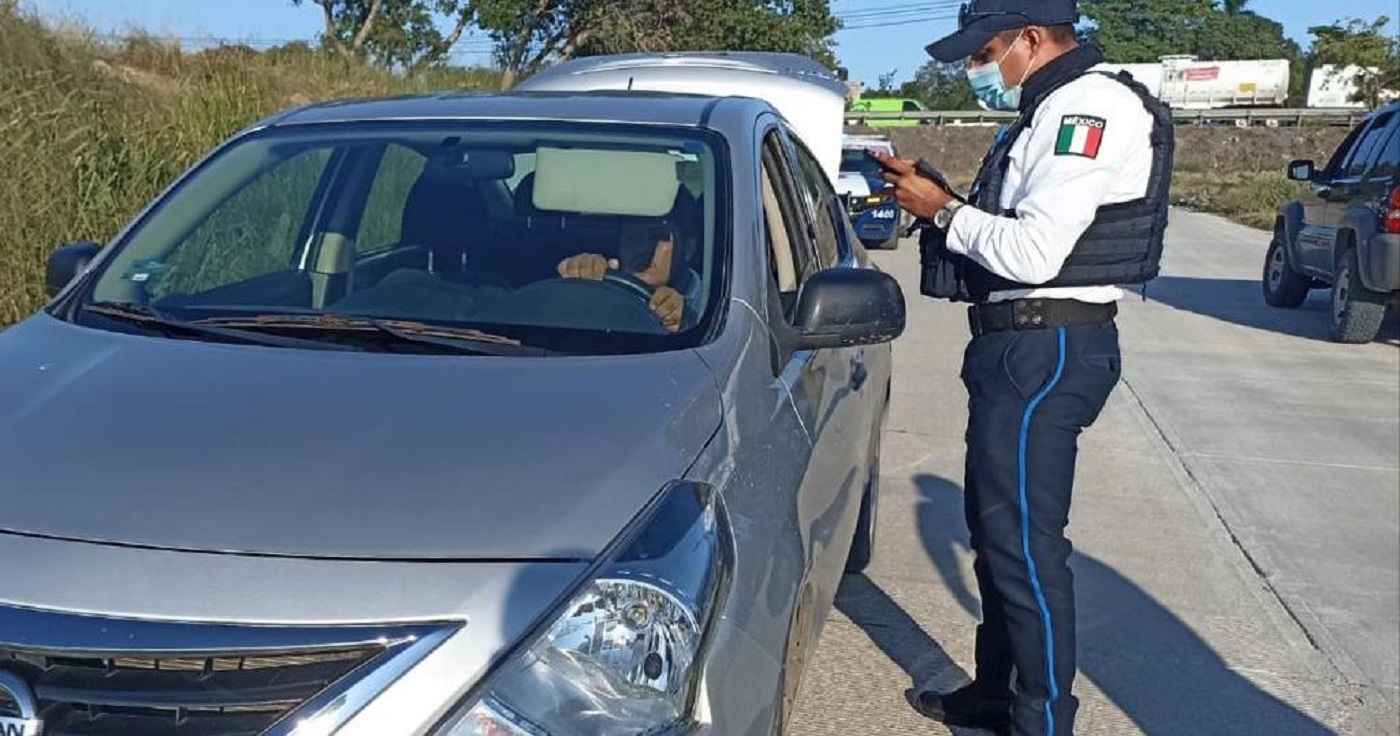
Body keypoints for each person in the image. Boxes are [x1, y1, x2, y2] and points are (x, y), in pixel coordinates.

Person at [872, 1, 1175, 735]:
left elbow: (1035, 255)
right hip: (1022, 346)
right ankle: (998, 693)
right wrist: (944, 195)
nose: (981, 69)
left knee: (1027, 550)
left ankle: (1040, 720)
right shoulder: (1050, 108)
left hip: (1047, 346)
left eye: (987, 52)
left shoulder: (1087, 110)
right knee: (998, 534)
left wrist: (942, 210)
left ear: (1033, 38)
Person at [555, 223, 703, 333]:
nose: (641, 248)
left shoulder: (715, 307)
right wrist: (576, 289)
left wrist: (686, 326)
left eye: (656, 235)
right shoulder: (601, 290)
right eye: (633, 237)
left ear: (688, 248)